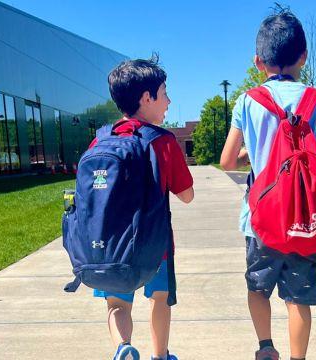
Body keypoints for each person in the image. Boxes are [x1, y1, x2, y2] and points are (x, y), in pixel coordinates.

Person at [220, 8, 316, 360]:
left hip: (261, 219)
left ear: (258, 61)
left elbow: (227, 161)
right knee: (298, 299)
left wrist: (254, 155)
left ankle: (265, 347)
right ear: (304, 57)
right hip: (306, 220)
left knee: (258, 288)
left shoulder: (248, 101)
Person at [89, 58, 194, 360]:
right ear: (147, 98)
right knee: (160, 299)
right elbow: (186, 195)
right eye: (164, 93)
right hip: (154, 243)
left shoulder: (101, 138)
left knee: (117, 305)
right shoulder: (163, 141)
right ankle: (160, 355)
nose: (168, 101)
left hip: (110, 245)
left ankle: (123, 347)